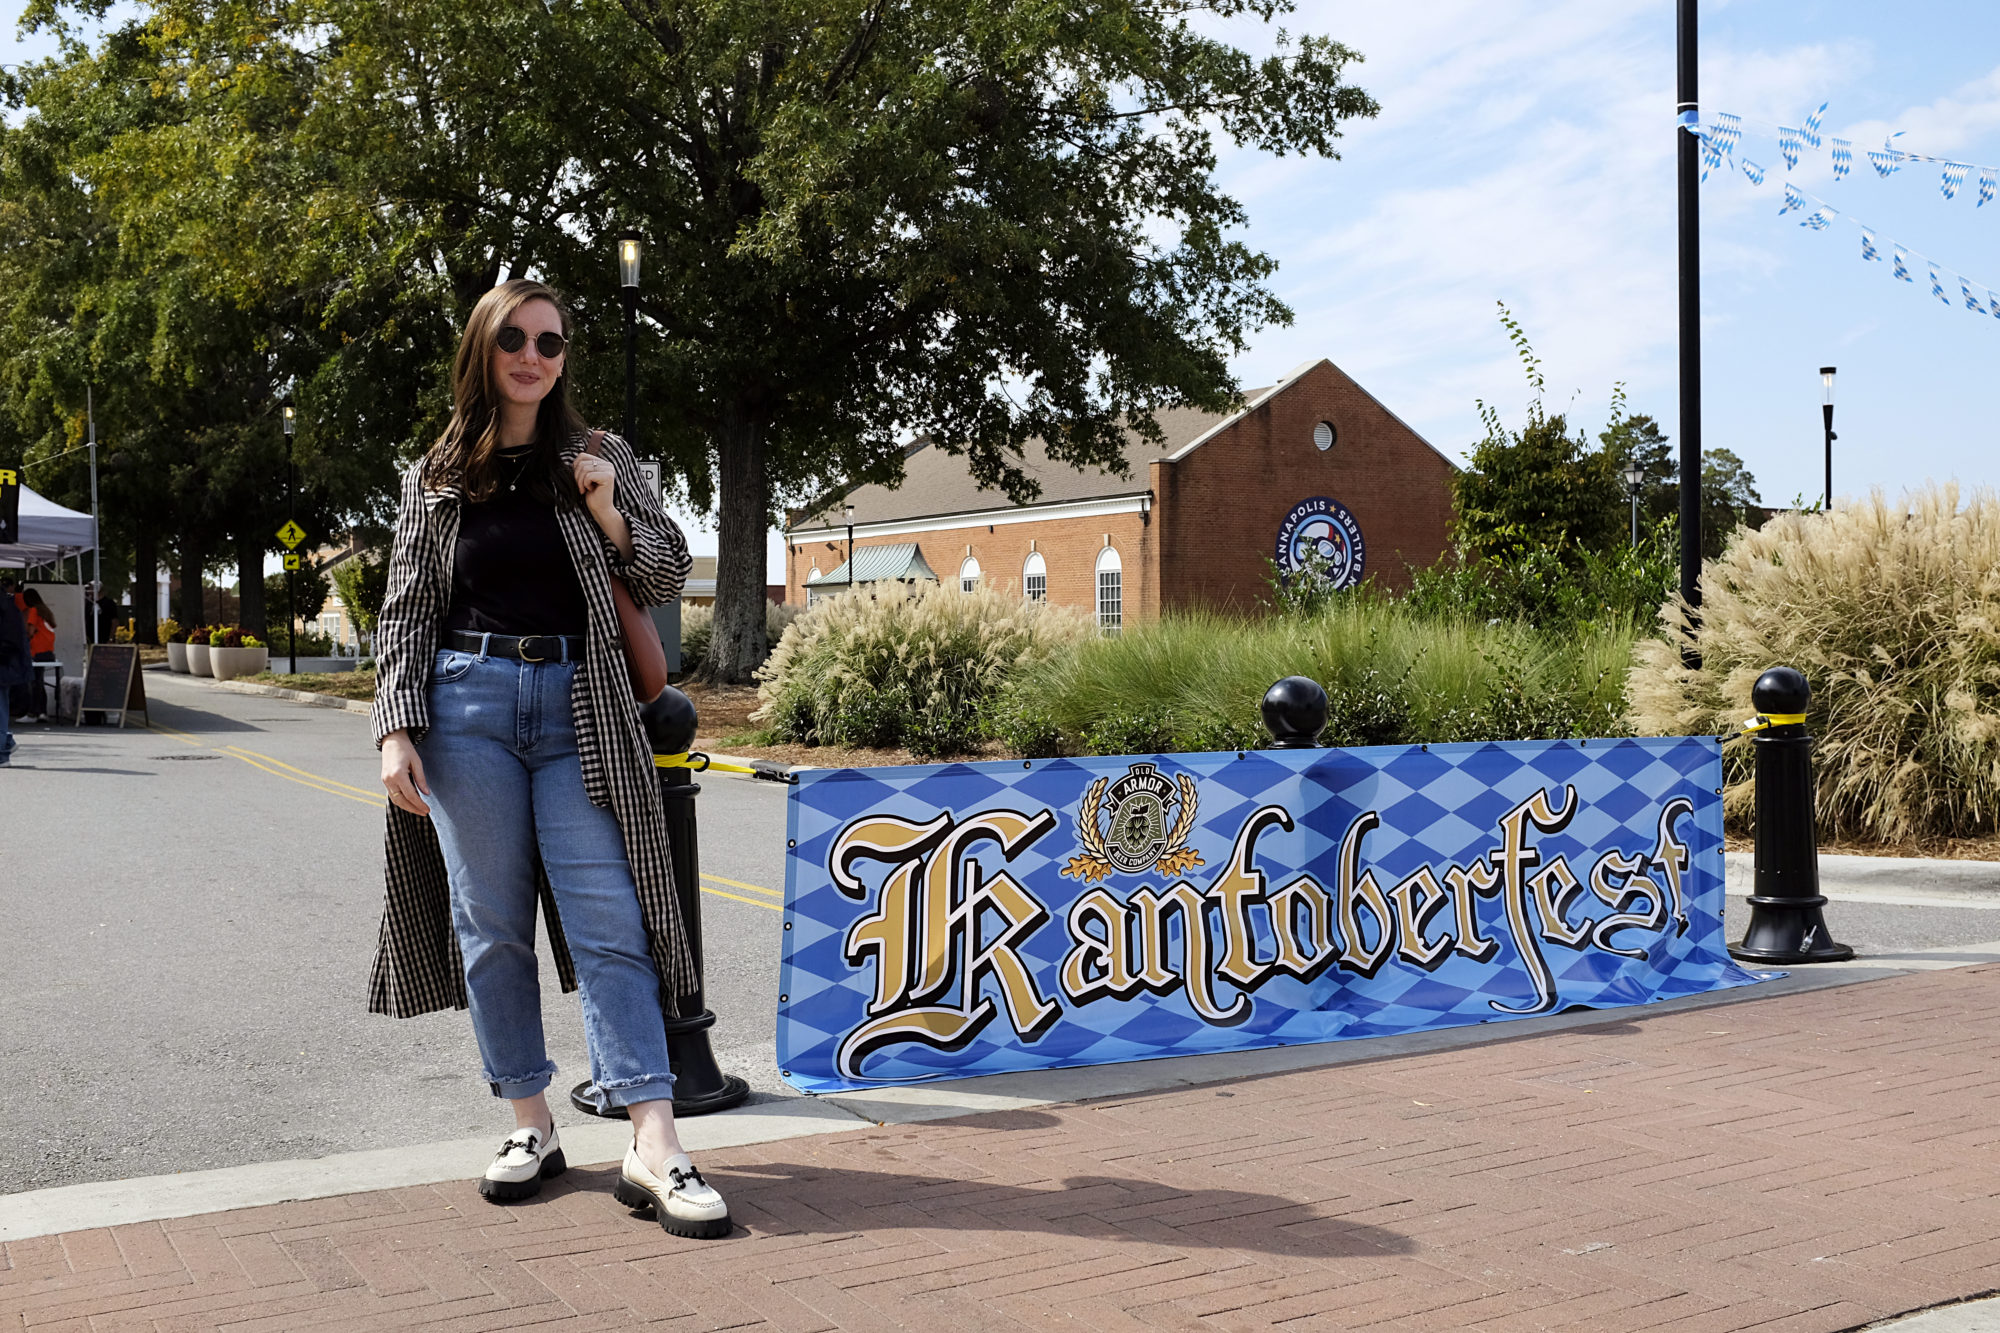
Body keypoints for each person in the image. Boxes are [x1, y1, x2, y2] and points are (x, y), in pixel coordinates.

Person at [370, 278, 727, 1239]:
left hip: (580, 708)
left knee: (609, 915)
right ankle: (530, 1119)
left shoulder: (598, 456)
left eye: (553, 342)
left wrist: (610, 513)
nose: (535, 356)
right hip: (466, 706)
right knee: (490, 926)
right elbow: (407, 608)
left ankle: (653, 1138)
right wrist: (397, 724)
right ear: (483, 351)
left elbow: (665, 571)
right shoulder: (438, 471)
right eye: (516, 339)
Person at [0, 580, 28, 764]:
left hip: (3, 661)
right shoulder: (9, 605)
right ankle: (5, 744)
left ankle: (4, 748)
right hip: (5, 663)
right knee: (1, 707)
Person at [18, 587, 55, 720]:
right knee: (39, 682)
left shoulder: (34, 611)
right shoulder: (46, 611)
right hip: (48, 651)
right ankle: (42, 712)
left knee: (34, 682)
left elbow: (31, 630)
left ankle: (33, 712)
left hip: (36, 650)